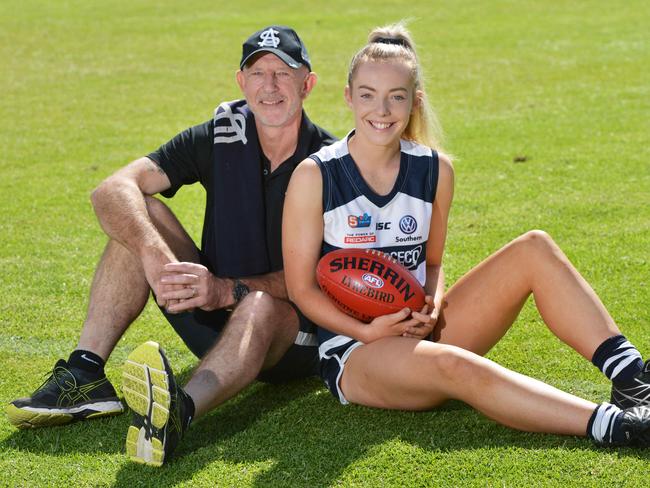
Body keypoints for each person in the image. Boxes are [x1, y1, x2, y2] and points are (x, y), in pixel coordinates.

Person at [282, 23, 650, 448]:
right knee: (457, 366)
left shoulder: (435, 169)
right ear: (348, 96)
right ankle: (618, 426)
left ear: (413, 101)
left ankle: (633, 380)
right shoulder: (316, 175)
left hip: (420, 330)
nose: (381, 110)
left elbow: (432, 262)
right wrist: (368, 332)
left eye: (395, 97)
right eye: (367, 95)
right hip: (358, 352)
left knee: (534, 248)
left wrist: (432, 304)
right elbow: (301, 289)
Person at [7, 25, 336, 466]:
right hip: (211, 309)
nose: (270, 86)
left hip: (289, 336)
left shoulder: (330, 161)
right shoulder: (220, 135)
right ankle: (85, 374)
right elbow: (111, 189)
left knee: (257, 304)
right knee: (136, 215)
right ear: (242, 82)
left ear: (307, 84)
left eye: (283, 73)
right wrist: (154, 255)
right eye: (258, 73)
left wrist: (226, 289)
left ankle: (178, 412)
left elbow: (324, 277)